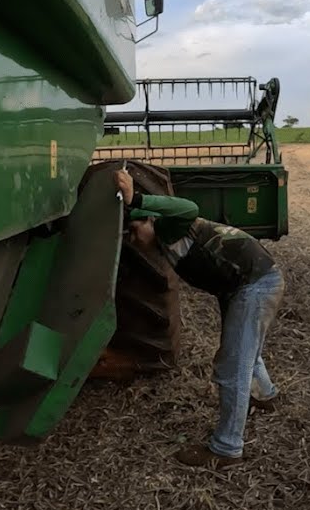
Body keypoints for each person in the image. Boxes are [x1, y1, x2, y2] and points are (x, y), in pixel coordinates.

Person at [114, 169, 285, 468]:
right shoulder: (165, 246)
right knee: (244, 349)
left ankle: (227, 448)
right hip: (241, 284)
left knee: (233, 364)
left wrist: (135, 197)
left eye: (133, 229)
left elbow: (188, 207)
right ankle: (266, 395)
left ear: (150, 219)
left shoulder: (171, 228)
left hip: (254, 283)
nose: (132, 238)